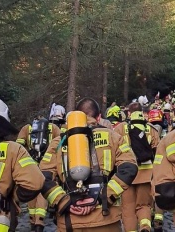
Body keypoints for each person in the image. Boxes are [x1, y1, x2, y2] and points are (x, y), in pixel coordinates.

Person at [39, 97, 138, 232]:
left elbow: (42, 177)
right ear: (98, 118)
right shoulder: (113, 137)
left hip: (70, 222)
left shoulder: (58, 142)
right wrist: (104, 197)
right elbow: (129, 168)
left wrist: (63, 201)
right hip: (104, 219)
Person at [0, 95, 69, 232]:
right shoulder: (12, 149)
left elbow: (21, 141)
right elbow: (35, 183)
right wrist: (13, 197)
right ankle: (38, 222)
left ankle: (34, 220)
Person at [113, 102, 159, 232]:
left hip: (126, 174)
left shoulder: (120, 128)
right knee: (144, 205)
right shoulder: (151, 129)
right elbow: (157, 152)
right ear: (142, 112)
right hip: (145, 174)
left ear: (128, 113)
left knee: (128, 208)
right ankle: (145, 227)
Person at [17, 115, 62, 232]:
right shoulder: (54, 128)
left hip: (31, 164)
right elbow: (61, 143)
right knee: (44, 190)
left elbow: (19, 146)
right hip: (47, 165)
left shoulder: (27, 128)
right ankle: (39, 221)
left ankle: (32, 220)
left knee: (32, 189)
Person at [152, 127, 175, 232]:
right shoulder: (173, 136)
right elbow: (173, 156)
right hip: (168, 183)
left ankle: (157, 223)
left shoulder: (169, 136)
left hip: (162, 183)